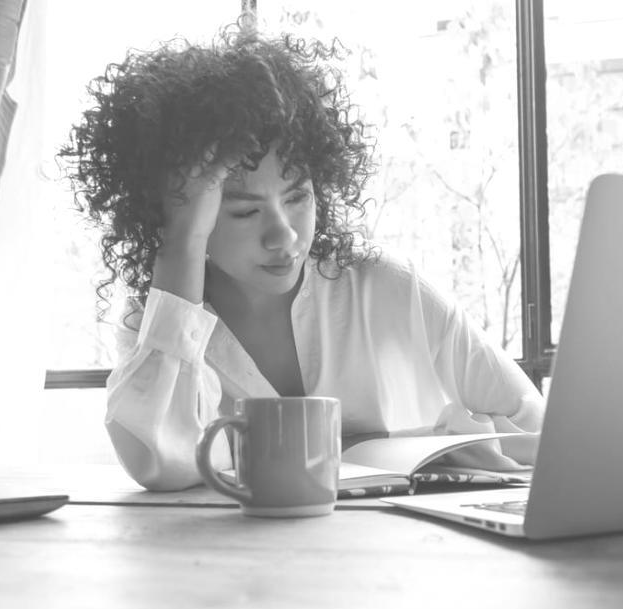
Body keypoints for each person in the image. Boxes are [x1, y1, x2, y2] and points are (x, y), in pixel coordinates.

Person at [61, 25, 544, 491]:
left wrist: (448, 447)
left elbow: (537, 424)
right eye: (245, 211)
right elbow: (159, 464)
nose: (284, 235)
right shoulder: (157, 319)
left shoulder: (386, 288)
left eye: (298, 198)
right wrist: (183, 240)